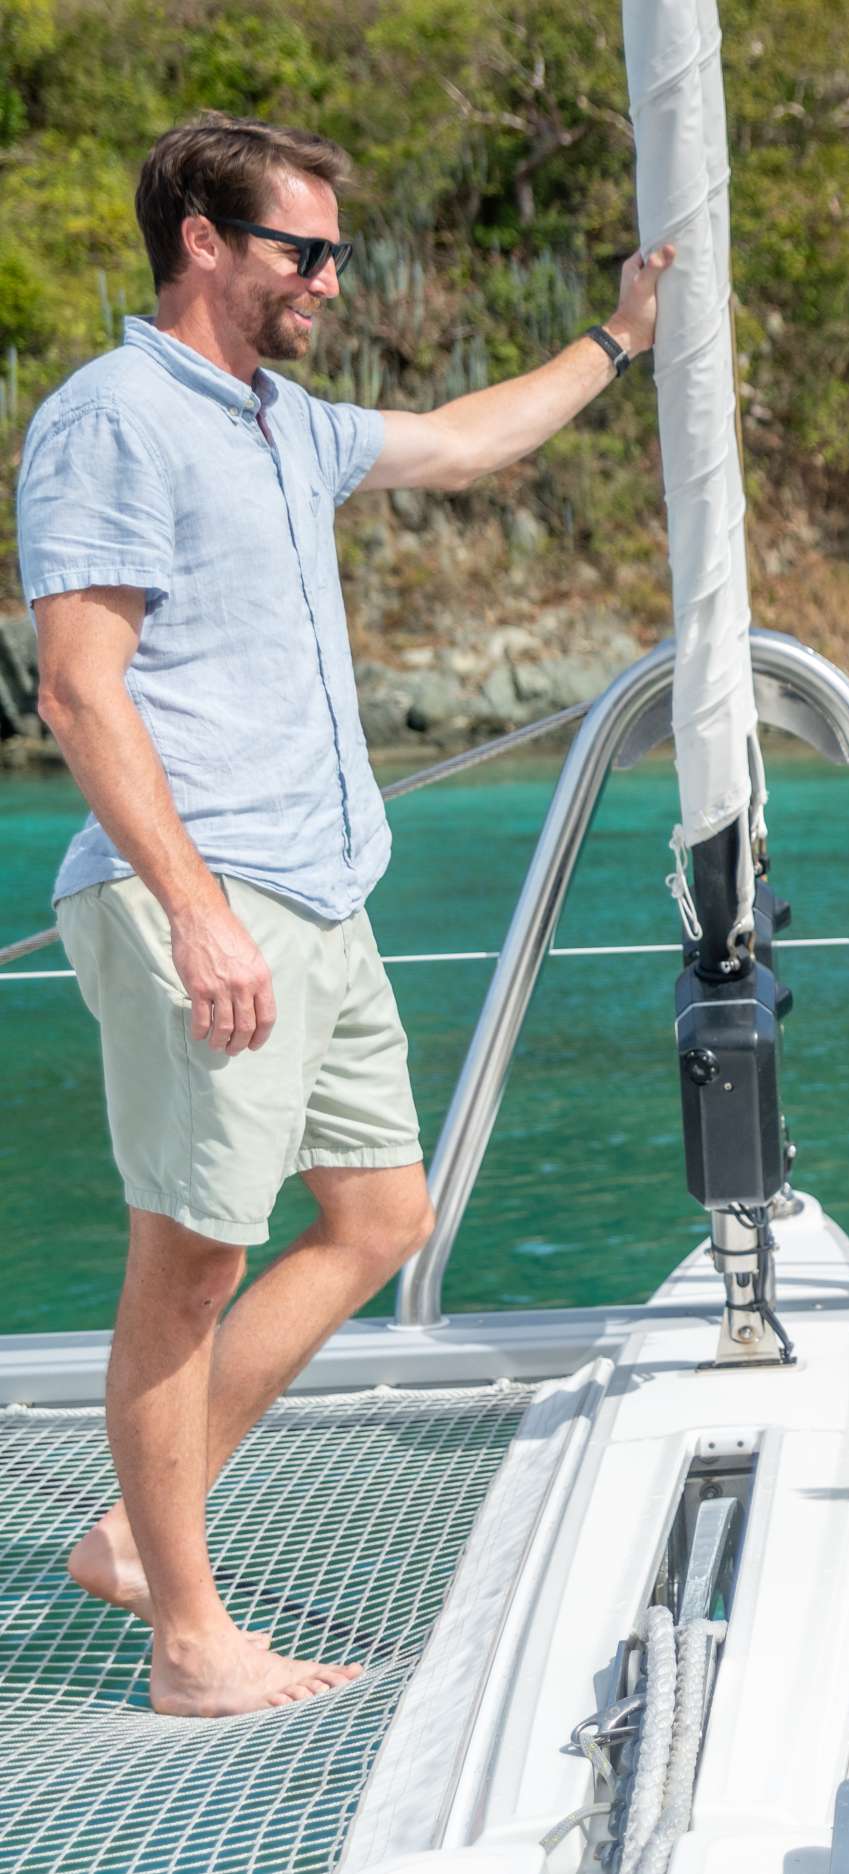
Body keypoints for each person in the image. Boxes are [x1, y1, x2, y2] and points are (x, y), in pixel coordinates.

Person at [19, 110, 676, 1716]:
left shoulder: (285, 423)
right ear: (203, 242)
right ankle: (190, 1641)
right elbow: (79, 688)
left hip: (320, 888)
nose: (329, 277)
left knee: (381, 1216)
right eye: (302, 250)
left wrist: (621, 338)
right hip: (205, 892)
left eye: (334, 252)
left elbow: (460, 439)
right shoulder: (111, 418)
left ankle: (137, 1532)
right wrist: (197, 913)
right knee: (190, 1259)